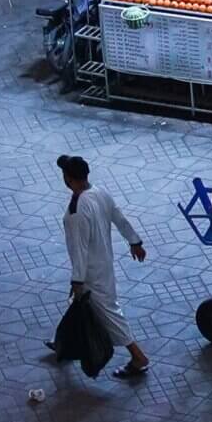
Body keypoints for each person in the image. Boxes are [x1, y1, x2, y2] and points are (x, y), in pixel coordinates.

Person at [58, 153, 151, 378]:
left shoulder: (77, 211)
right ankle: (62, 341)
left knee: (107, 312)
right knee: (85, 307)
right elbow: (119, 218)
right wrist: (135, 241)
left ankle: (138, 357)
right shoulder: (100, 193)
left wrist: (77, 280)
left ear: (68, 177)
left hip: (90, 273)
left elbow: (79, 248)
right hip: (104, 264)